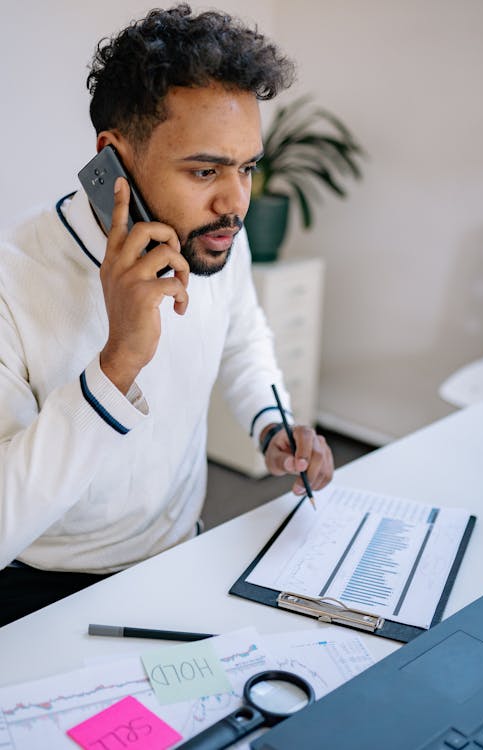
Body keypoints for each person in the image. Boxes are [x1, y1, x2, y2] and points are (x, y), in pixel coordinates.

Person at [0, 4, 334, 626]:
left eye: (247, 168)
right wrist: (119, 361)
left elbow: (241, 339)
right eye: (205, 170)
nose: (236, 203)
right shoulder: (11, 278)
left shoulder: (209, 237)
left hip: (183, 553)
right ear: (113, 161)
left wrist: (272, 424)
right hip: (40, 593)